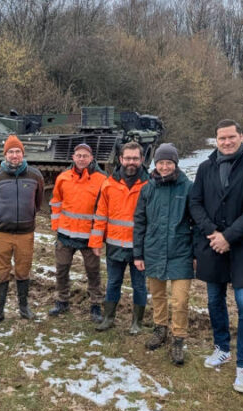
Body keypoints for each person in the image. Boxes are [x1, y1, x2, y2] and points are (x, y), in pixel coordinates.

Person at [189, 119, 243, 393]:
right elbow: (196, 202)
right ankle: (222, 347)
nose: (226, 142)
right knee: (214, 300)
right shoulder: (205, 168)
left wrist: (229, 236)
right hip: (213, 246)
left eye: (231, 137)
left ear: (240, 137)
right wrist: (213, 232)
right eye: (221, 138)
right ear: (216, 139)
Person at [132, 143, 194, 365]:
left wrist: (195, 254)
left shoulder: (187, 187)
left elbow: (196, 223)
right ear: (155, 164)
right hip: (154, 250)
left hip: (181, 253)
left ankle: (178, 338)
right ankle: (160, 329)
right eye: (161, 163)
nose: (165, 166)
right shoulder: (148, 189)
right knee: (157, 296)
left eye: (169, 163)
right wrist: (138, 254)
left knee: (180, 301)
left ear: (175, 164)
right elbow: (140, 222)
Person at [90, 141, 149, 334]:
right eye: (127, 158)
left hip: (140, 248)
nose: (131, 162)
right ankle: (108, 318)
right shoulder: (109, 184)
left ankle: (137, 322)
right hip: (115, 246)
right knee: (113, 282)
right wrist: (96, 241)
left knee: (139, 285)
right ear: (121, 159)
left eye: (135, 158)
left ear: (142, 159)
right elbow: (100, 216)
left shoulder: (149, 185)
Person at [0, 135, 44, 325]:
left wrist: (28, 216)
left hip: (25, 234)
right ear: (5, 155)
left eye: (17, 151)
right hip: (2, 233)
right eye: (11, 152)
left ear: (22, 153)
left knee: (23, 271)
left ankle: (24, 307)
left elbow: (38, 201)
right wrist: (3, 217)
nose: (14, 155)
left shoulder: (35, 176)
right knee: (1, 272)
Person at [48, 143, 107, 322]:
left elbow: (104, 209)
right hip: (65, 234)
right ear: (73, 158)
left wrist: (99, 236)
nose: (81, 159)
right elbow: (56, 202)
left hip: (89, 236)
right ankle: (62, 300)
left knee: (93, 271)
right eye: (78, 155)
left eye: (85, 156)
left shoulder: (101, 179)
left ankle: (96, 304)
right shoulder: (63, 177)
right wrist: (56, 227)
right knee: (62, 269)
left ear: (91, 158)